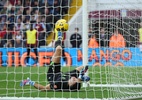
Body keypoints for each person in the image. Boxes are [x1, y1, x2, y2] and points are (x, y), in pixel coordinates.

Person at [20, 32, 90, 91]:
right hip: (60, 73)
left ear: (70, 84)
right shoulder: (71, 77)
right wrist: (82, 74)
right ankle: (81, 77)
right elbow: (81, 68)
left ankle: (59, 37)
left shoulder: (59, 84)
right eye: (76, 80)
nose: (74, 79)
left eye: (74, 81)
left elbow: (44, 88)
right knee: (83, 67)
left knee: (59, 49)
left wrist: (31, 82)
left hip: (52, 74)